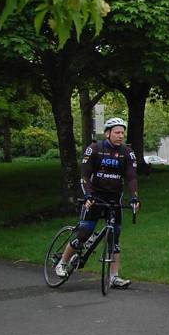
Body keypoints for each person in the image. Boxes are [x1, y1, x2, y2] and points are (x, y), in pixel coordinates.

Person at [55, 117, 139, 287]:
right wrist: (88, 196)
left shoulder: (127, 152)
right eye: (117, 132)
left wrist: (134, 197)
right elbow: (85, 176)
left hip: (114, 199)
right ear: (108, 133)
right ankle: (62, 262)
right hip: (95, 198)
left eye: (122, 133)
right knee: (84, 233)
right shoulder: (94, 149)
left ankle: (114, 277)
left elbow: (131, 177)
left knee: (114, 239)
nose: (120, 136)